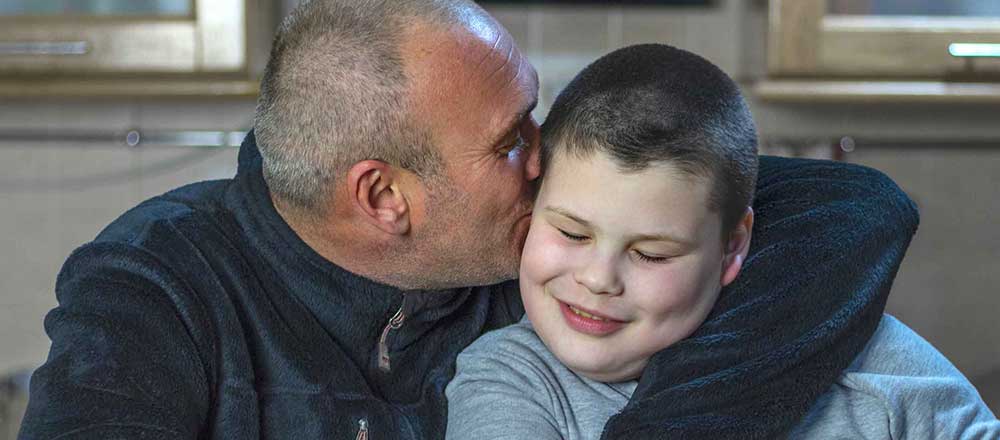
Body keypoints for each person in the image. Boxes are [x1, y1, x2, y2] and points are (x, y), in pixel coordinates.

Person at [17, 1, 919, 439]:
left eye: (539, 114)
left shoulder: (554, 251)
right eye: (510, 140)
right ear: (384, 199)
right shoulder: (153, 286)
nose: (547, 157)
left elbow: (854, 204)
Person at [445, 43, 1000, 440]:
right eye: (570, 232)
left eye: (651, 253)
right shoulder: (508, 379)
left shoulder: (878, 371)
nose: (597, 278)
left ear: (734, 248)